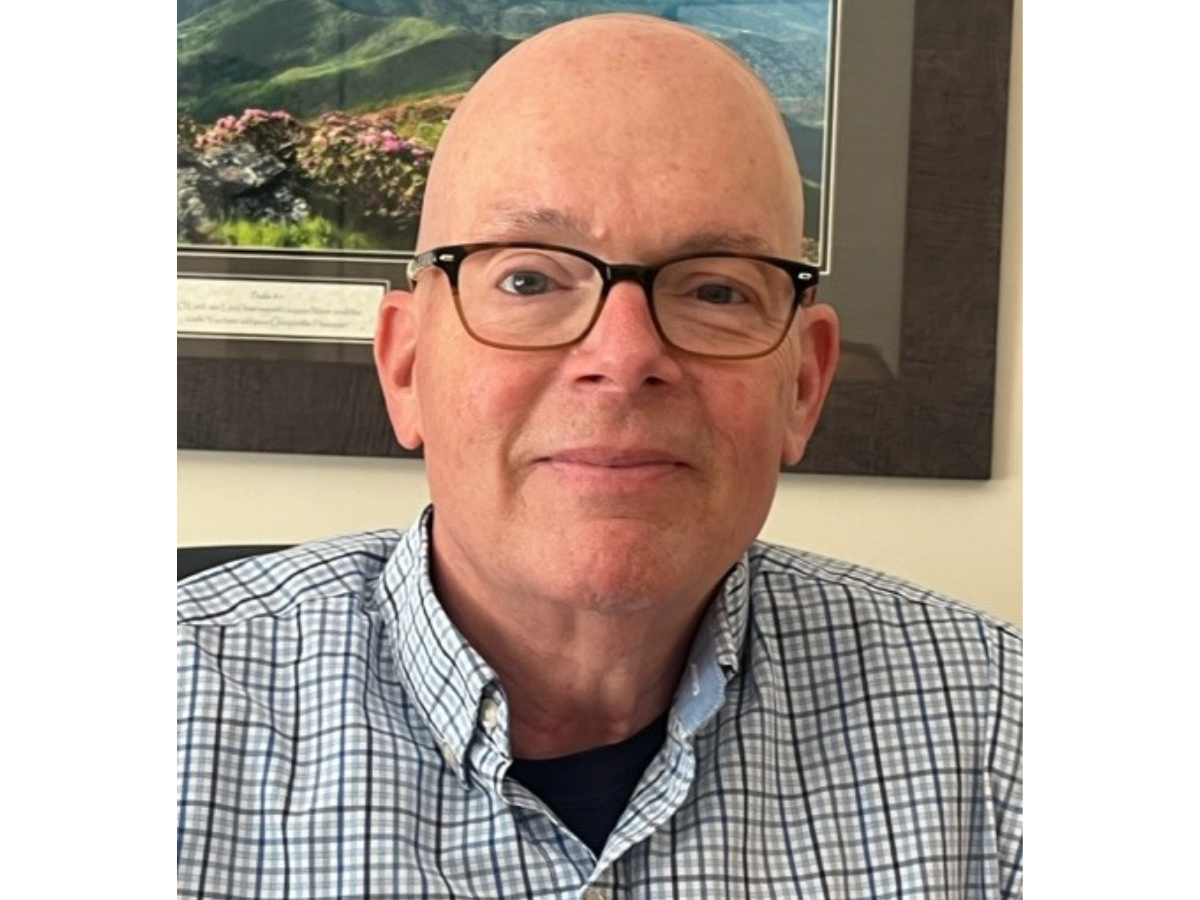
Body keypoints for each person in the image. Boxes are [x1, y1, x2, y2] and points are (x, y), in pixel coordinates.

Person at [178, 13, 1021, 899]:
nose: (623, 359)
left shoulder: (1009, 734)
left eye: (715, 288)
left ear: (804, 385)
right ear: (407, 365)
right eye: (529, 280)